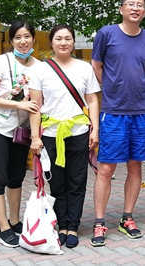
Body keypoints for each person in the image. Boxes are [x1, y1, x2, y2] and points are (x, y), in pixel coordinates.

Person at [90, 0, 145, 247]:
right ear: (121, 9)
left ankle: (127, 217)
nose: (135, 8)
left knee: (135, 167)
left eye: (140, 5)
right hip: (113, 112)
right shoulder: (106, 33)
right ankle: (99, 222)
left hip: (141, 112)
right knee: (106, 169)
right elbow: (96, 66)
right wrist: (110, 87)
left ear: (144, 12)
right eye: (131, 4)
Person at [28, 24, 100, 249]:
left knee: (77, 181)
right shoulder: (40, 70)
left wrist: (95, 129)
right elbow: (35, 106)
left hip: (78, 131)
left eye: (68, 38)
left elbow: (92, 100)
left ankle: (74, 227)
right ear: (51, 43)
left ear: (73, 42)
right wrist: (35, 137)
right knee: (57, 182)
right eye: (58, 38)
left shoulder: (84, 68)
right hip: (51, 134)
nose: (63, 42)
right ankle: (62, 226)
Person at [0, 20, 40, 248]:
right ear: (11, 41)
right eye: (17, 37)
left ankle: (15, 222)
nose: (23, 42)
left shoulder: (39, 67)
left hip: (20, 129)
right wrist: (18, 105)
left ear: (33, 39)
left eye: (27, 36)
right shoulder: (1, 62)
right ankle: (4, 228)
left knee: (16, 177)